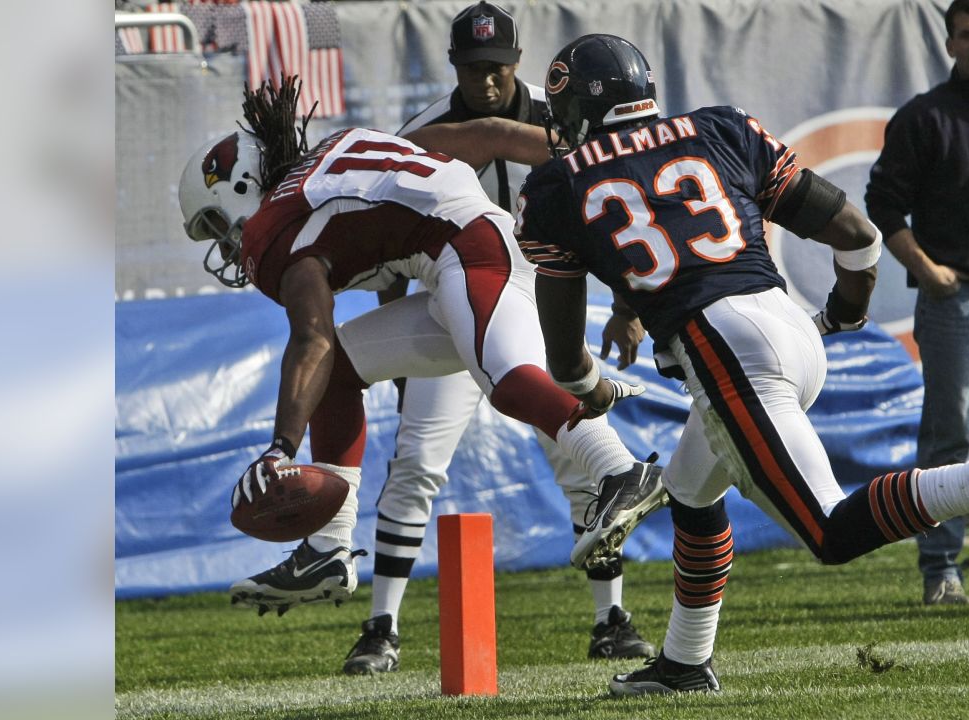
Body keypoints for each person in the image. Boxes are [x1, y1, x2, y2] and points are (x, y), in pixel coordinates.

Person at [406, 33, 969, 695]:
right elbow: (858, 237)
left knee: (830, 532)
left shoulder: (559, 184)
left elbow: (562, 354)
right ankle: (684, 662)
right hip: (787, 324)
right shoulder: (722, 127)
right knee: (693, 495)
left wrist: (588, 387)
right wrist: (846, 311)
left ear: (578, 110)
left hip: (726, 350)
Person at [175, 77, 669, 642]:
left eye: (215, 222)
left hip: (472, 251)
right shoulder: (334, 151)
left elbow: (310, 337)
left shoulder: (275, 227)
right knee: (337, 374)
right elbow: (479, 140)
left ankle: (621, 470)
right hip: (463, 253)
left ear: (240, 185)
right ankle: (329, 547)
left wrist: (280, 448)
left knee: (505, 382)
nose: (224, 242)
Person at [343, 2, 655, 676]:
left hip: (548, 308)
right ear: (455, 66)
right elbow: (390, 233)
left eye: (497, 68)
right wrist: (394, 322)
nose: (486, 80)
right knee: (418, 461)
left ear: (517, 64)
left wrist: (627, 306)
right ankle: (381, 626)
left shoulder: (564, 112)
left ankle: (611, 618)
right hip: (450, 310)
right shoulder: (425, 130)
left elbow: (622, 205)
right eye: (472, 67)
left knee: (578, 463)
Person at [865, 0, 969, 605]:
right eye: (966, 34)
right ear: (950, 44)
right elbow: (881, 203)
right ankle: (942, 570)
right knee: (949, 437)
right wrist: (925, 269)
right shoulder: (923, 117)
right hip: (952, 296)